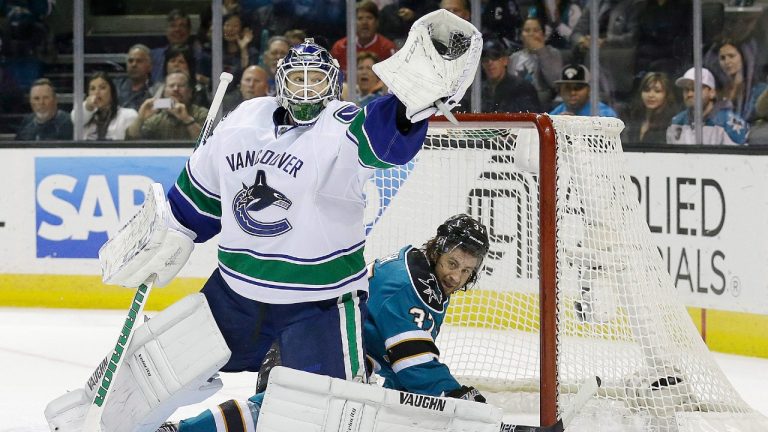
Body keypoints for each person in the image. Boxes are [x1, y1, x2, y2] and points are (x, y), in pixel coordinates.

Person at [157, 215, 491, 432]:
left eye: (466, 271)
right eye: (452, 263)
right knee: (282, 412)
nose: (456, 276)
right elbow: (414, 365)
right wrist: (454, 394)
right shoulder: (413, 287)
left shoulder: (420, 267)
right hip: (314, 355)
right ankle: (184, 430)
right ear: (438, 250)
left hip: (325, 352)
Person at [667, 67, 749, 145]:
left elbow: (741, 158)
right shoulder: (676, 122)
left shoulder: (729, 124)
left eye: (695, 89)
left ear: (712, 93)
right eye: (686, 90)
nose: (689, 94)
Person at [126, 71, 207, 141]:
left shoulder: (201, 114)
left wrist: (186, 119)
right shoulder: (156, 119)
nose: (175, 89)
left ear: (190, 92)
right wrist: (141, 117)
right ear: (164, 92)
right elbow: (131, 139)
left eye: (181, 86)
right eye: (171, 86)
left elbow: (206, 144)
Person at [509, 14, 564, 110]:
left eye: (536, 30)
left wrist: (541, 50)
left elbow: (555, 82)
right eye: (527, 31)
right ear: (521, 35)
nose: (531, 34)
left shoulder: (553, 53)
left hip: (543, 106)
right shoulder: (514, 58)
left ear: (543, 34)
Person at [330, 0, 397, 72]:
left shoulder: (388, 48)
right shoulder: (339, 47)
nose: (365, 22)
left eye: (369, 17)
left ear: (377, 22)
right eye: (360, 18)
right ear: (353, 23)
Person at [712, 40, 768, 122]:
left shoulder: (759, 90)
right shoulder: (717, 93)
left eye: (731, 56)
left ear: (743, 57)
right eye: (722, 58)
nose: (727, 62)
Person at [72, 72, 138, 141]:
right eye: (92, 89)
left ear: (112, 92)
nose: (97, 92)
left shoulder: (128, 115)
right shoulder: (84, 116)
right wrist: (88, 107)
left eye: (102, 88)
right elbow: (75, 119)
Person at [481, 39, 541, 113]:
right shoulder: (477, 91)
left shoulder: (522, 87)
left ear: (505, 61)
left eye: (495, 57)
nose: (490, 62)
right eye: (485, 59)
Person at [622, 72, 678, 145]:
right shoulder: (633, 119)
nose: (651, 95)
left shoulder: (672, 122)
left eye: (657, 91)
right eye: (646, 90)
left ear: (666, 95)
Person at [150, 9, 202, 84]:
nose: (177, 30)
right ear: (166, 30)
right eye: (173, 26)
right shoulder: (154, 56)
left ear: (189, 30)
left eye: (182, 26)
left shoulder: (199, 56)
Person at [549, 64, 617, 117]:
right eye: (567, 88)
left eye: (578, 87)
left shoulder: (605, 114)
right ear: (560, 91)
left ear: (589, 90)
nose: (572, 92)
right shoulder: (555, 114)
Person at [115, 44, 161, 111]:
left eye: (139, 61)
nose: (134, 64)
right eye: (130, 61)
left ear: (150, 66)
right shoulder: (116, 85)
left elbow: (170, 104)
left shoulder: (158, 89)